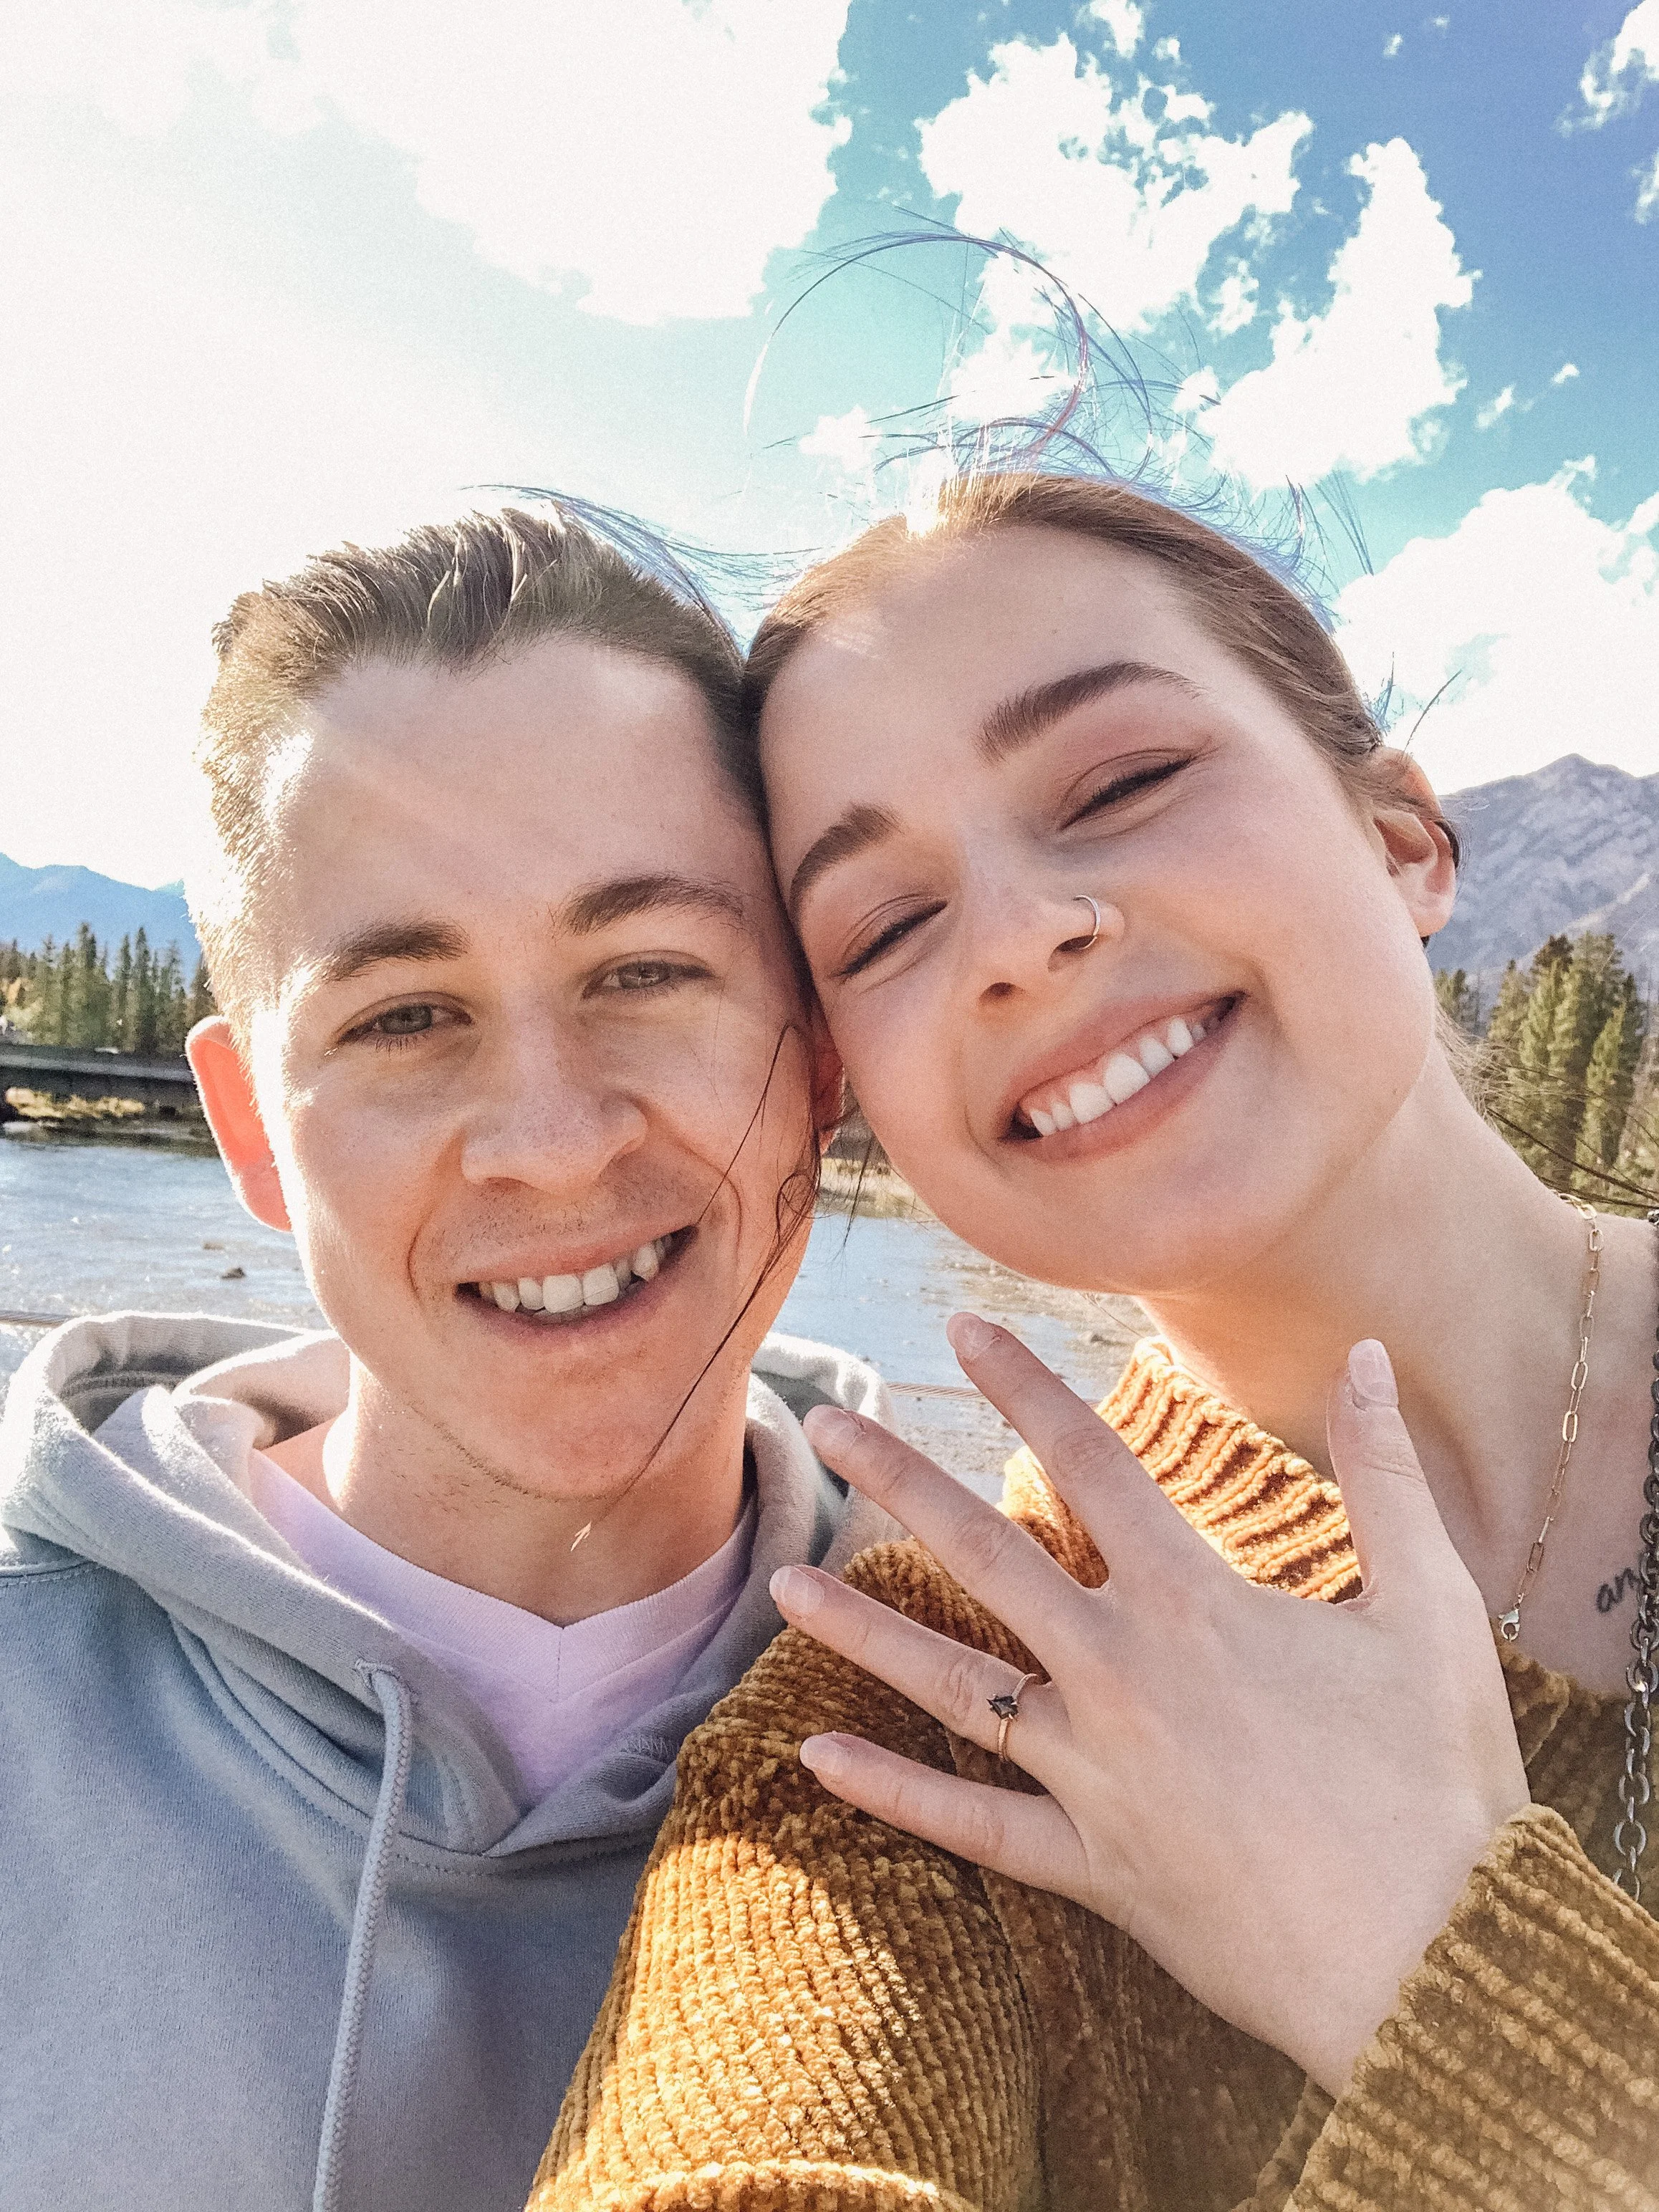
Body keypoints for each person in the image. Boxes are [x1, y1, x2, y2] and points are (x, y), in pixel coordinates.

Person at [536, 471, 1659, 2210]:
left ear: (1403, 841)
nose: (1018, 936)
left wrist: (1452, 1981)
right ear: (858, 1095)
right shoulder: (913, 1731)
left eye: (1122, 783)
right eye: (885, 925)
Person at [0, 506, 901, 2211]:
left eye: (646, 969)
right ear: (252, 1129)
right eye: (404, 1015)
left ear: (820, 1061)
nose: (552, 1143)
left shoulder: (1026, 1730)